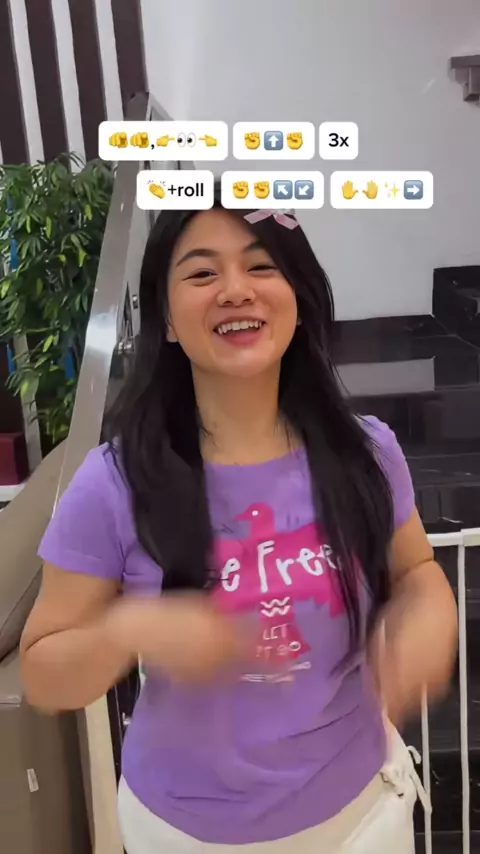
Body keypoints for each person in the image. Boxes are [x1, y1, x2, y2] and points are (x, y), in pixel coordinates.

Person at [20, 190, 457, 853]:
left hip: (364, 813)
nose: (235, 290)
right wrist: (131, 628)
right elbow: (43, 675)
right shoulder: (114, 483)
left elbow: (417, 569)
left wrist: (426, 615)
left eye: (260, 266)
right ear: (168, 320)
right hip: (186, 833)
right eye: (202, 272)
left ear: (298, 297)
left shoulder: (365, 452)